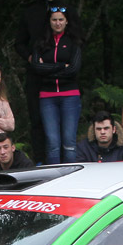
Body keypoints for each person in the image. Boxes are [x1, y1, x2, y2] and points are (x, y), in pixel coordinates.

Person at [15, 0, 77, 163]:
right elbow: (19, 43)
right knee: (37, 120)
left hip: (65, 77)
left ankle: (69, 166)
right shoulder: (30, 11)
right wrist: (31, 58)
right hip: (37, 75)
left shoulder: (66, 8)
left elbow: (77, 38)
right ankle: (41, 162)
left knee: (66, 129)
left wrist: (67, 64)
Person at [31, 8, 82, 164]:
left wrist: (48, 68)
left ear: (66, 21)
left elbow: (74, 69)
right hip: (47, 97)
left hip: (70, 95)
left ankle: (71, 178)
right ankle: (54, 180)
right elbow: (36, 68)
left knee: (69, 142)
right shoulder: (41, 42)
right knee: (52, 143)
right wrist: (61, 66)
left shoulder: (74, 41)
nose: (58, 23)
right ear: (49, 22)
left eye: (61, 19)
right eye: (54, 20)